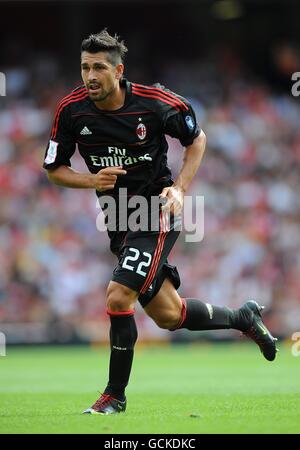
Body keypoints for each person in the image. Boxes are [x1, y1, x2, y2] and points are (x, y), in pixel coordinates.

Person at [43, 29, 278, 415]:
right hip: (118, 220)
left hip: (156, 211)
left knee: (119, 295)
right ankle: (242, 317)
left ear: (119, 71)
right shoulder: (70, 111)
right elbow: (53, 169)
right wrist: (90, 180)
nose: (90, 76)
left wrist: (181, 188)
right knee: (169, 315)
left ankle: (114, 396)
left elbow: (196, 139)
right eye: (85, 67)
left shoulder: (155, 104)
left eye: (99, 67)